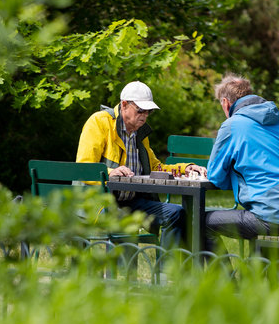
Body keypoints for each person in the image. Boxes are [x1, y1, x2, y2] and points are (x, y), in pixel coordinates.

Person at [76, 80, 207, 247]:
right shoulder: (99, 122)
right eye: (140, 110)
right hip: (100, 203)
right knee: (125, 220)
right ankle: (121, 273)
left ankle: (167, 271)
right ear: (124, 105)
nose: (144, 115)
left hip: (131, 202)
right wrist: (110, 173)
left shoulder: (140, 134)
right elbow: (83, 168)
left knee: (176, 212)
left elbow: (155, 168)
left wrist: (184, 168)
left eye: (149, 111)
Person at [205, 74, 279, 252]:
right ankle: (261, 278)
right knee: (262, 215)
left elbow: (215, 176)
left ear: (226, 103)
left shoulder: (232, 125)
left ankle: (225, 280)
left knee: (201, 223)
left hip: (270, 218)